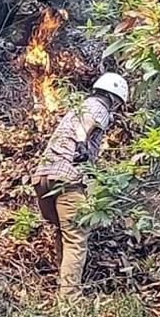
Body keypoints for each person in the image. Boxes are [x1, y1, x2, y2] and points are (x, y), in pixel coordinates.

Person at [31, 72, 129, 297]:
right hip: (69, 178)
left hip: (44, 177)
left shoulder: (77, 107)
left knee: (64, 233)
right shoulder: (99, 106)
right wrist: (83, 143)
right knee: (76, 239)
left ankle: (61, 285)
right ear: (115, 99)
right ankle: (69, 301)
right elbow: (85, 125)